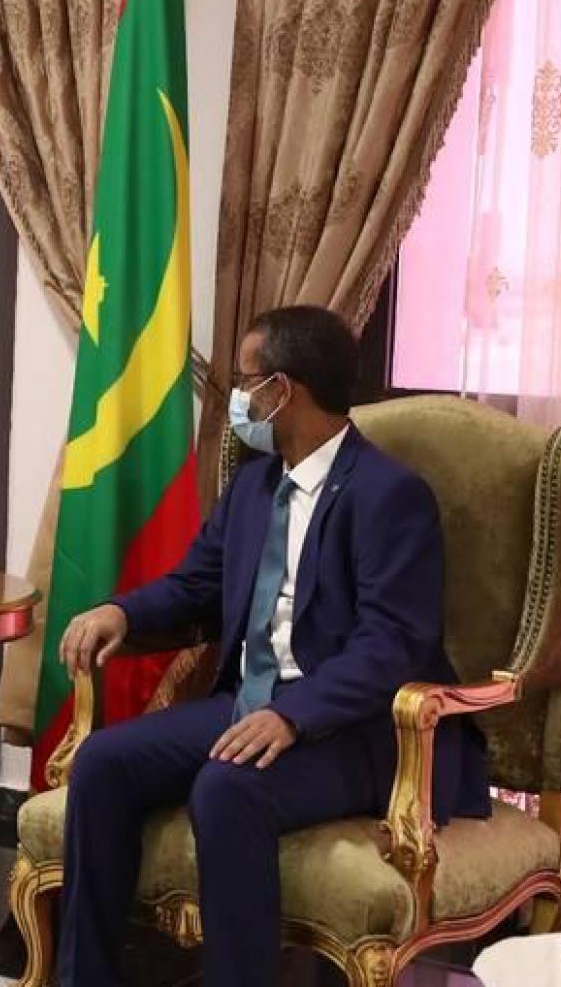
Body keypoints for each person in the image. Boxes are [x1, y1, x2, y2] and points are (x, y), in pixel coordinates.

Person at [54, 305, 489, 987]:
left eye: (247, 379)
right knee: (105, 762)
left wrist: (293, 715)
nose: (238, 398)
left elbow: (392, 643)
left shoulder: (390, 495)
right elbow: (196, 583)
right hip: (249, 701)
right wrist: (120, 611)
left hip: (358, 729)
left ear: (283, 390)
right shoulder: (256, 485)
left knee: (228, 789)